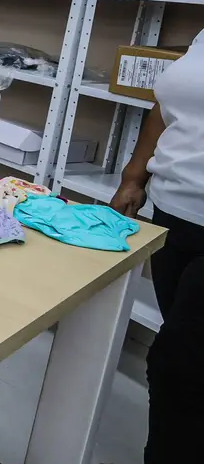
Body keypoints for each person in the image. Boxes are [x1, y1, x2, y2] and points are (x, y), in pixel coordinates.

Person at [110, 29, 204, 463]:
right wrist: (134, 176)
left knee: (178, 364)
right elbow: (168, 105)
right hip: (174, 214)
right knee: (186, 359)